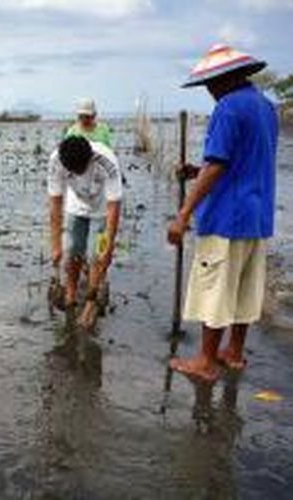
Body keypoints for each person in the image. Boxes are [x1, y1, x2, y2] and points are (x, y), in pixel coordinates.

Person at [168, 44, 278, 383]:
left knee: (214, 286)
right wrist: (195, 171)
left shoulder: (228, 109)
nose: (211, 91)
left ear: (230, 78)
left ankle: (204, 361)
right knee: (245, 287)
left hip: (227, 216)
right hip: (258, 215)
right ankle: (234, 352)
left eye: (213, 84)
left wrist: (184, 213)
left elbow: (218, 164)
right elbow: (239, 159)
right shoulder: (266, 107)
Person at [48, 135, 122, 329]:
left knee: (96, 256)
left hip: (102, 209)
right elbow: (55, 204)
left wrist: (109, 246)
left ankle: (91, 302)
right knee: (72, 251)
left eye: (81, 170)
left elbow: (114, 207)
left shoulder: (107, 162)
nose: (77, 175)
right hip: (75, 207)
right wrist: (55, 244)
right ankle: (71, 295)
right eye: (73, 171)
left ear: (90, 158)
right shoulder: (56, 161)